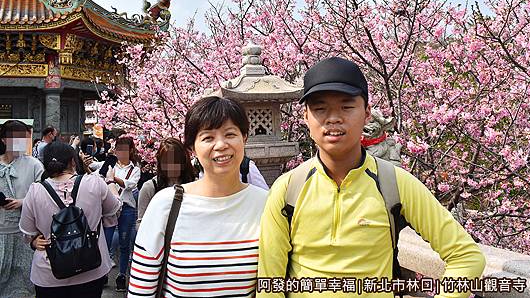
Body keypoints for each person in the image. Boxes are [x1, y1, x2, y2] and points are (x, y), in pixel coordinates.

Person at [257, 57, 486, 298]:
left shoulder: (394, 183)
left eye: (346, 107)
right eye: (320, 108)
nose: (333, 118)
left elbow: (467, 258)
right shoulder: (288, 189)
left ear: (367, 114)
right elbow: (270, 283)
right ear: (305, 117)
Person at [128, 97, 269, 297]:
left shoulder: (265, 204)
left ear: (244, 138)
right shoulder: (166, 205)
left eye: (230, 134)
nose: (221, 145)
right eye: (208, 138)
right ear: (193, 148)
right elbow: (140, 291)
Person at [19, 141, 121, 298]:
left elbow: (28, 232)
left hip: (50, 272)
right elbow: (114, 210)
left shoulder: (35, 191)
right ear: (73, 161)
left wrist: (34, 241)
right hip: (91, 268)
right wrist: (111, 182)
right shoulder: (94, 183)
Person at [90, 136, 140, 292]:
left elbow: (130, 185)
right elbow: (96, 175)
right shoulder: (110, 164)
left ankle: (122, 275)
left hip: (126, 209)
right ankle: (103, 273)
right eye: (119, 149)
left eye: (125, 149)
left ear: (131, 150)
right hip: (109, 209)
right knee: (105, 241)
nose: (121, 153)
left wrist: (112, 178)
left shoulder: (135, 169)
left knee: (124, 244)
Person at [0, 120, 44, 297]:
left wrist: (22, 202)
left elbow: (44, 195)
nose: (21, 143)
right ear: (4, 140)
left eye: (24, 139)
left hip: (24, 234)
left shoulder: (34, 165)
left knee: (23, 282)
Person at [136, 137, 196, 228]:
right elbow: (141, 222)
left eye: (176, 162)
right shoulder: (150, 187)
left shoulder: (194, 185)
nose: (171, 166)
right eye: (166, 162)